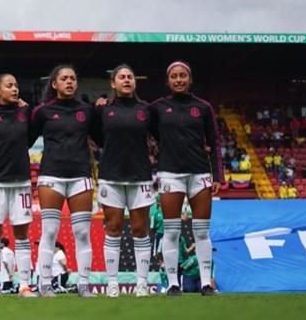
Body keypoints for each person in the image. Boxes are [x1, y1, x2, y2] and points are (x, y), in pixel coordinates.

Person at [149, 61, 221, 297]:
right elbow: (139, 125)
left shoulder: (203, 107)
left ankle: (205, 283)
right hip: (170, 173)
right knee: (171, 231)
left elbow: (215, 141)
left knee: (201, 232)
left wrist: (218, 174)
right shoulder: (158, 108)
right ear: (168, 81)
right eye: (174, 76)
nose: (178, 80)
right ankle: (172, 284)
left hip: (200, 173)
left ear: (190, 80)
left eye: (183, 76)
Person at [31, 65, 96, 297]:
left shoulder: (87, 111)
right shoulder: (42, 112)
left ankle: (84, 284)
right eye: (64, 78)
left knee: (82, 233)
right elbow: (26, 138)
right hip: (51, 176)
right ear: (54, 84)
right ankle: (45, 284)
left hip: (80, 176)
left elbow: (101, 137)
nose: (69, 82)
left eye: (73, 78)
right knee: (49, 232)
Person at [92, 65, 155, 298]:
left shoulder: (146, 110)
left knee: (140, 230)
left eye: (130, 76)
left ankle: (141, 283)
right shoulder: (102, 110)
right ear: (113, 83)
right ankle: (112, 284)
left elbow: (158, 135)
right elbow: (97, 137)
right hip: (111, 175)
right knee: (113, 228)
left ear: (135, 82)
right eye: (121, 77)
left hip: (140, 176)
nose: (126, 80)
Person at [0, 73, 36, 298]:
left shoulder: (25, 112)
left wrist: (27, 109)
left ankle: (24, 286)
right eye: (9, 85)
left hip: (21, 181)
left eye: (16, 85)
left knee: (22, 234)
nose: (15, 89)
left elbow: (29, 140)